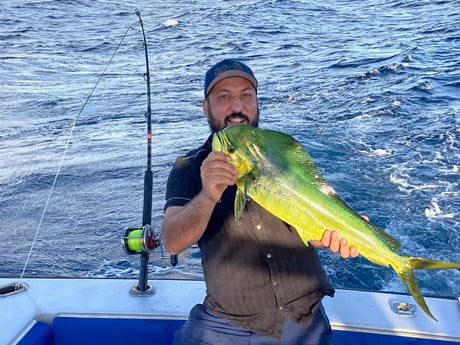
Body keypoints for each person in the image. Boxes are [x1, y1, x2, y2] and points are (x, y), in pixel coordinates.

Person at [161, 59, 359, 345]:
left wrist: (339, 233)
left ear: (256, 102)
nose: (237, 106)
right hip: (225, 323)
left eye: (246, 95)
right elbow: (172, 242)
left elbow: (312, 227)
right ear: (206, 107)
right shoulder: (188, 168)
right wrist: (208, 194)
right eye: (224, 97)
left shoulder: (285, 156)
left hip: (302, 319)